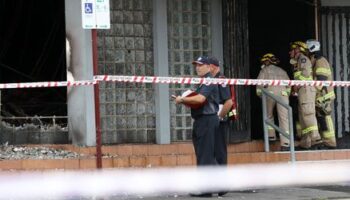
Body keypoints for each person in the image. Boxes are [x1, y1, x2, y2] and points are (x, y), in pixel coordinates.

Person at [172, 56, 219, 197]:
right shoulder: (202, 82)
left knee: (205, 155)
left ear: (209, 66)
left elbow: (201, 99)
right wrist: (187, 100)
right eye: (196, 65)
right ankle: (220, 184)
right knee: (204, 154)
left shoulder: (209, 81)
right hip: (202, 121)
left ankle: (205, 190)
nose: (197, 67)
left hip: (207, 120)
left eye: (200, 65)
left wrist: (183, 99)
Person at [289, 41, 322, 149]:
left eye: (292, 50)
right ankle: (306, 142)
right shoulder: (297, 62)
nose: (290, 52)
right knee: (303, 116)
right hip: (302, 91)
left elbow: (306, 74)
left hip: (306, 90)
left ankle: (316, 138)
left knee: (308, 113)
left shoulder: (303, 59)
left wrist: (297, 85)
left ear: (298, 50)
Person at [256, 53, 291, 151]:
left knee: (268, 115)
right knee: (284, 118)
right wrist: (285, 94)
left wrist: (260, 95)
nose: (263, 63)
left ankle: (271, 137)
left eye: (264, 61)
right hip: (283, 95)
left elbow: (259, 84)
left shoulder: (264, 70)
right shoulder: (282, 71)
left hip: (270, 94)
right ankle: (286, 143)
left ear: (267, 61)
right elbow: (289, 85)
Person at [306, 39, 337, 149]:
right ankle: (326, 141)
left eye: (307, 49)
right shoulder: (315, 60)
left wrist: (310, 91)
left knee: (325, 118)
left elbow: (321, 80)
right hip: (320, 96)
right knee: (321, 118)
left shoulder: (320, 60)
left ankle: (330, 142)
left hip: (324, 96)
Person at [208, 56, 233, 165]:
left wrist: (219, 117)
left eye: (205, 66)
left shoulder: (221, 79)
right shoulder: (212, 80)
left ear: (212, 67)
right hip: (212, 120)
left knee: (219, 151)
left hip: (219, 121)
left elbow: (229, 102)